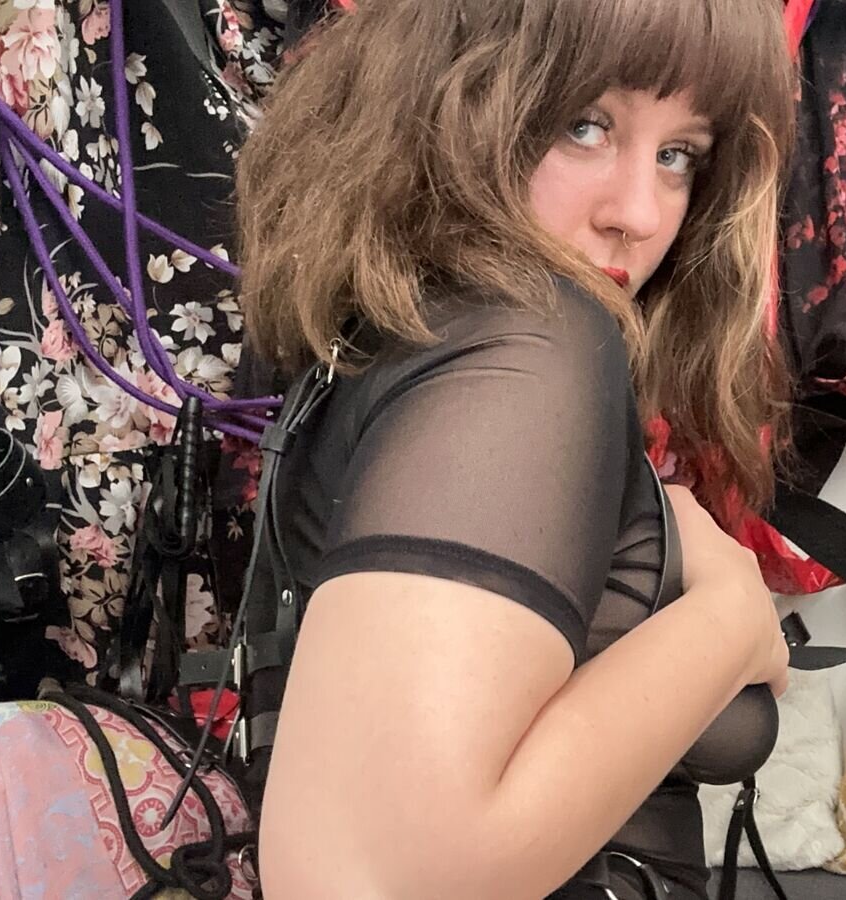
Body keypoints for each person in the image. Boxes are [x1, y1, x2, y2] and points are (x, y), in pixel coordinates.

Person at [234, 1, 797, 897]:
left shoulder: (415, 341)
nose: (639, 213)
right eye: (585, 126)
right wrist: (730, 619)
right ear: (452, 100)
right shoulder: (535, 342)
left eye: (679, 155)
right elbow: (378, 879)